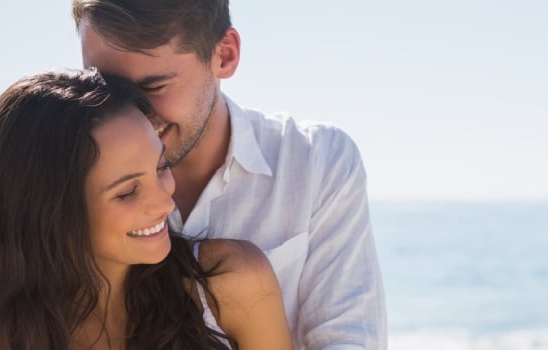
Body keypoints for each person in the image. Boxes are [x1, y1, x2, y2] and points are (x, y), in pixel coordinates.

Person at [71, 1, 387, 349]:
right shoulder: (65, 180)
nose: (133, 113)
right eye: (108, 89)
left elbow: (350, 339)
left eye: (154, 87)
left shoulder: (318, 160)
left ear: (224, 55)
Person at [0, 68, 292, 349]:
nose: (164, 202)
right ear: (51, 212)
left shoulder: (233, 283)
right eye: (127, 192)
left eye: (160, 167)